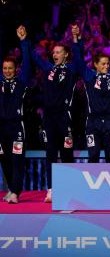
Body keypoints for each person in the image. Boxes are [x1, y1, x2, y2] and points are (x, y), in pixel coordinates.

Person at [31, 23, 81, 203]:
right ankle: (51, 190)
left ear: (66, 54)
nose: (55, 54)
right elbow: (34, 57)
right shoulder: (47, 69)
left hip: (65, 118)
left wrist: (76, 39)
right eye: (54, 52)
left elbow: (80, 58)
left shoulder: (72, 70)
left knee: (67, 154)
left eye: (59, 52)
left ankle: (68, 190)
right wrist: (25, 40)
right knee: (50, 154)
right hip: (49, 118)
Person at [72, 23, 110, 163]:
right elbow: (78, 59)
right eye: (103, 64)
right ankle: (93, 184)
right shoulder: (89, 77)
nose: (106, 66)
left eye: (107, 64)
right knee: (93, 156)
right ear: (95, 64)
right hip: (93, 122)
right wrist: (75, 39)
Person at [0, 26, 32, 204]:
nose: (7, 71)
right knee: (4, 159)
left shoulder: (21, 83)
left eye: (10, 68)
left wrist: (23, 41)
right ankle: (12, 188)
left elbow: (27, 63)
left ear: (15, 69)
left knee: (17, 160)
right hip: (1, 128)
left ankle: (16, 192)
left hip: (16, 127)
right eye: (4, 68)